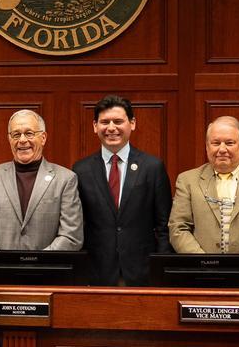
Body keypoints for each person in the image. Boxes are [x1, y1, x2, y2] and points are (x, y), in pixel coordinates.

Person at [73, 95, 173, 286]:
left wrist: (163, 272)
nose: (111, 128)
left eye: (118, 121)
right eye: (104, 122)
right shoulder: (81, 170)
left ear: (132, 123)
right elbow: (79, 225)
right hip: (96, 273)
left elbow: (163, 225)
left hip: (143, 273)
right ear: (95, 126)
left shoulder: (152, 167)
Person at [168, 116, 239, 256]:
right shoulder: (187, 180)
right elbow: (178, 228)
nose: (222, 149)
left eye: (229, 143)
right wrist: (205, 263)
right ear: (207, 146)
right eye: (216, 143)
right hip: (202, 273)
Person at [0, 109, 83, 250]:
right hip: (2, 269)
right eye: (16, 134)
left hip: (48, 270)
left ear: (43, 137)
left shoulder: (65, 179)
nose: (22, 140)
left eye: (29, 133)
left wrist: (38, 263)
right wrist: (4, 262)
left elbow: (71, 235)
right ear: (9, 139)